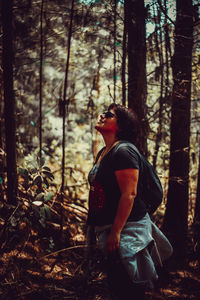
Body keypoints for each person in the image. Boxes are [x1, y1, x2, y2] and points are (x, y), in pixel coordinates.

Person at [86, 103, 173, 300]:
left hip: (126, 230)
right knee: (117, 285)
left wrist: (116, 232)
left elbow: (129, 194)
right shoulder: (103, 152)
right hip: (109, 228)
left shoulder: (124, 151)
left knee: (127, 288)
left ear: (121, 126)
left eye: (109, 115)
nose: (101, 115)